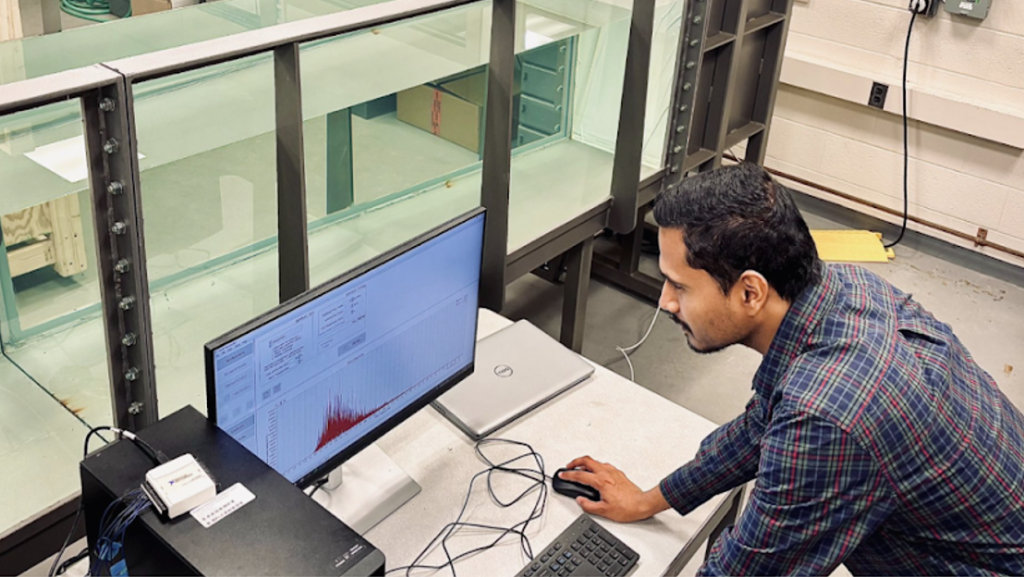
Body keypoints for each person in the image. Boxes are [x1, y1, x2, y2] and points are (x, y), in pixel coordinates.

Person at [560, 163, 1024, 575]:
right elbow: (761, 425)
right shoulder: (849, 288)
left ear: (750, 293)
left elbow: (747, 567)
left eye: (679, 285)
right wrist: (648, 500)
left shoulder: (826, 417)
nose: (665, 301)